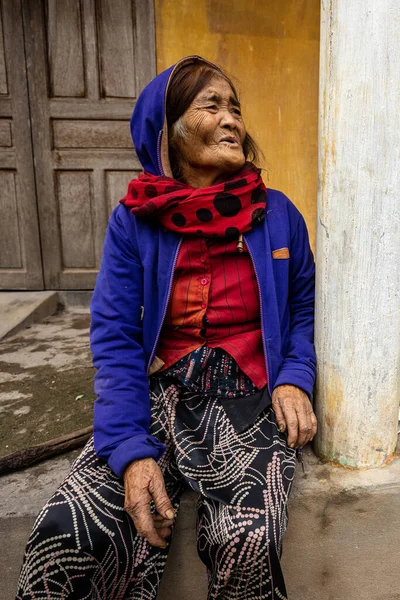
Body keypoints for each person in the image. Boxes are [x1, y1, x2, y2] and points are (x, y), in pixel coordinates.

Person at [16, 55, 317, 600]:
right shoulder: (134, 222)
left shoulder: (278, 214)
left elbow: (302, 305)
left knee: (247, 539)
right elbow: (114, 335)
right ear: (169, 129)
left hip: (247, 396)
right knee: (64, 532)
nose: (232, 121)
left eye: (236, 109)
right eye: (212, 106)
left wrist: (295, 375)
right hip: (161, 393)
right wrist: (132, 451)